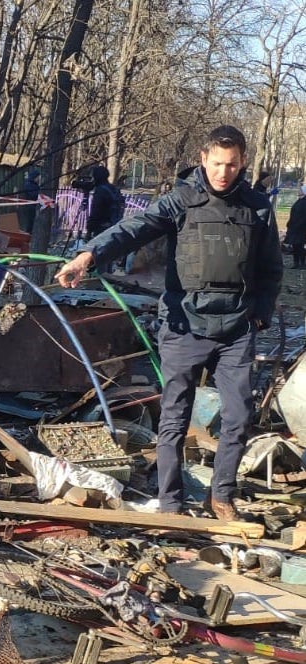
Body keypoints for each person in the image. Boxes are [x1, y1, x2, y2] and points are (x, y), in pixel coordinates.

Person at [55, 125, 283, 522]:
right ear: (203, 158)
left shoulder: (258, 207)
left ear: (242, 162)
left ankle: (222, 496)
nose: (223, 173)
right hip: (184, 325)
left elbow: (271, 269)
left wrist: (260, 312)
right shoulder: (181, 200)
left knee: (238, 415)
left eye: (231, 165)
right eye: (216, 164)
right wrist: (87, 256)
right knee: (175, 415)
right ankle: (172, 502)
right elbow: (133, 229)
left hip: (236, 328)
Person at [86, 164, 124, 238]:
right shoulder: (113, 189)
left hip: (102, 227)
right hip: (114, 225)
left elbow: (96, 211)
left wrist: (89, 230)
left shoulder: (100, 191)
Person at [286, 185, 306, 270]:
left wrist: (298, 225)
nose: (299, 191)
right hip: (294, 227)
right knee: (295, 245)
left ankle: (302, 263)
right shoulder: (299, 201)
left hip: (301, 228)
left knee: (300, 246)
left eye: (300, 190)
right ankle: (296, 262)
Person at [19, 167, 41, 234]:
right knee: (30, 223)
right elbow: (33, 195)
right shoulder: (29, 185)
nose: (39, 179)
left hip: (32, 206)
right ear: (34, 177)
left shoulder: (34, 185)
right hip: (29, 207)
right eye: (38, 177)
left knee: (32, 223)